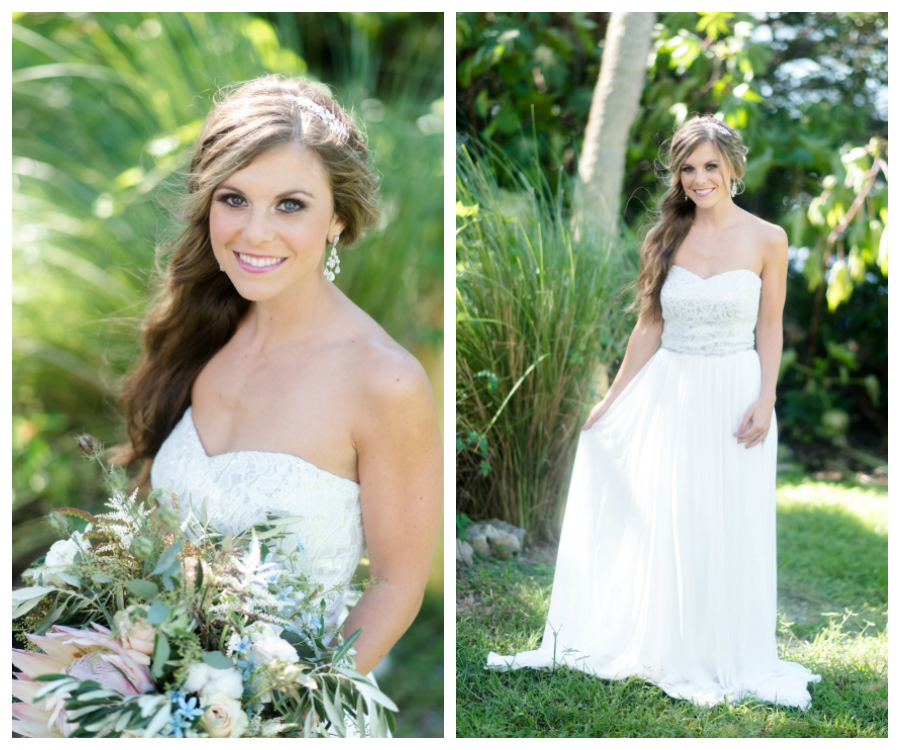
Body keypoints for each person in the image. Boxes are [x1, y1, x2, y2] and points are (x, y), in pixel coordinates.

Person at [107, 74, 443, 737]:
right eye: (235, 199)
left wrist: (282, 713)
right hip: (163, 706)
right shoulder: (196, 338)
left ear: (338, 218)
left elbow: (396, 587)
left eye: (290, 205)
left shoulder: (384, 382)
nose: (254, 233)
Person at [485, 114, 821, 710]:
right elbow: (649, 326)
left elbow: (770, 326)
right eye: (687, 168)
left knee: (729, 518)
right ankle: (668, 640)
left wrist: (766, 398)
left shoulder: (768, 237)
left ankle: (727, 649)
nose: (698, 179)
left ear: (733, 168)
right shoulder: (666, 236)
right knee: (675, 513)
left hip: (737, 388)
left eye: (710, 166)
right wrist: (611, 401)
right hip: (673, 388)